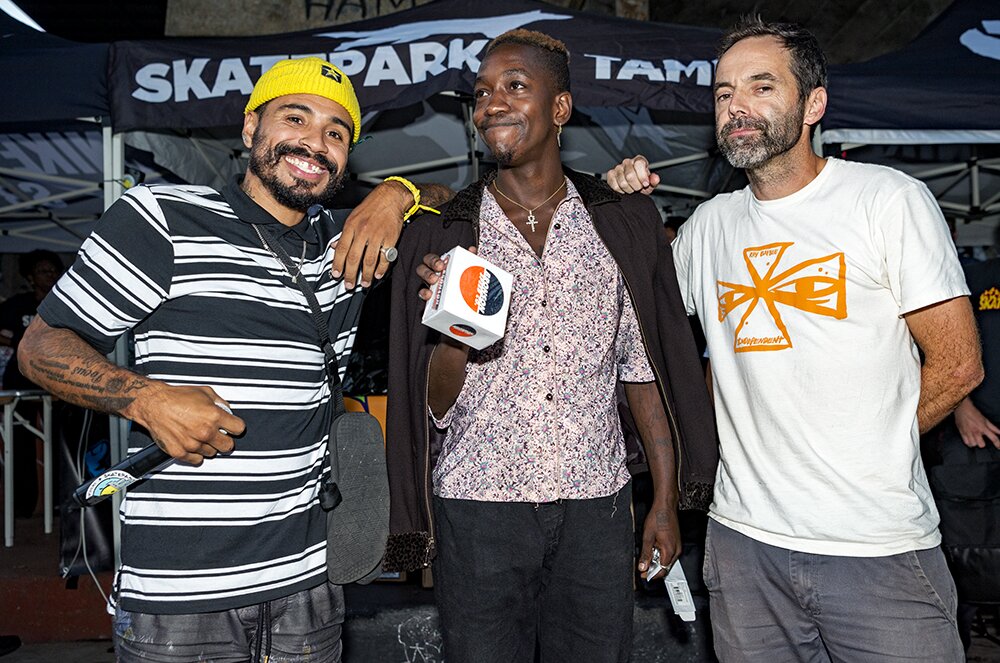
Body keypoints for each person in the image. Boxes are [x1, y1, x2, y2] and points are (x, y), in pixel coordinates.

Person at [17, 57, 450, 662]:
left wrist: (396, 192)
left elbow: (459, 200)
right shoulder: (164, 218)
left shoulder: (349, 244)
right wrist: (147, 399)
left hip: (308, 588)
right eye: (294, 118)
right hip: (181, 594)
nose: (314, 143)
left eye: (335, 132)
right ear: (250, 128)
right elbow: (40, 346)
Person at [606, 16, 983, 662]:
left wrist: (871, 453)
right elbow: (628, 315)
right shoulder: (709, 227)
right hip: (744, 547)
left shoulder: (887, 201)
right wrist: (622, 213)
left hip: (876, 545)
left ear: (813, 104)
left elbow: (958, 364)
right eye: (724, 93)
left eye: (761, 87)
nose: (737, 107)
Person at [384, 29, 716, 663]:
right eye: (481, 93)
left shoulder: (618, 222)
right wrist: (455, 329)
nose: (492, 105)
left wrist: (665, 502)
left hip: (596, 508)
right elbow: (433, 405)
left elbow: (643, 375)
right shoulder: (448, 230)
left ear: (560, 108)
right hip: (479, 511)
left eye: (514, 86)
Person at [0, 250, 64, 518]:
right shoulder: (17, 305)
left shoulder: (64, 303)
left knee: (61, 443)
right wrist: (24, 344)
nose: (50, 275)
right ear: (30, 277)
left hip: (58, 381)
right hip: (21, 380)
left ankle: (61, 502)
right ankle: (23, 506)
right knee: (20, 445)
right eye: (43, 271)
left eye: (53, 270)